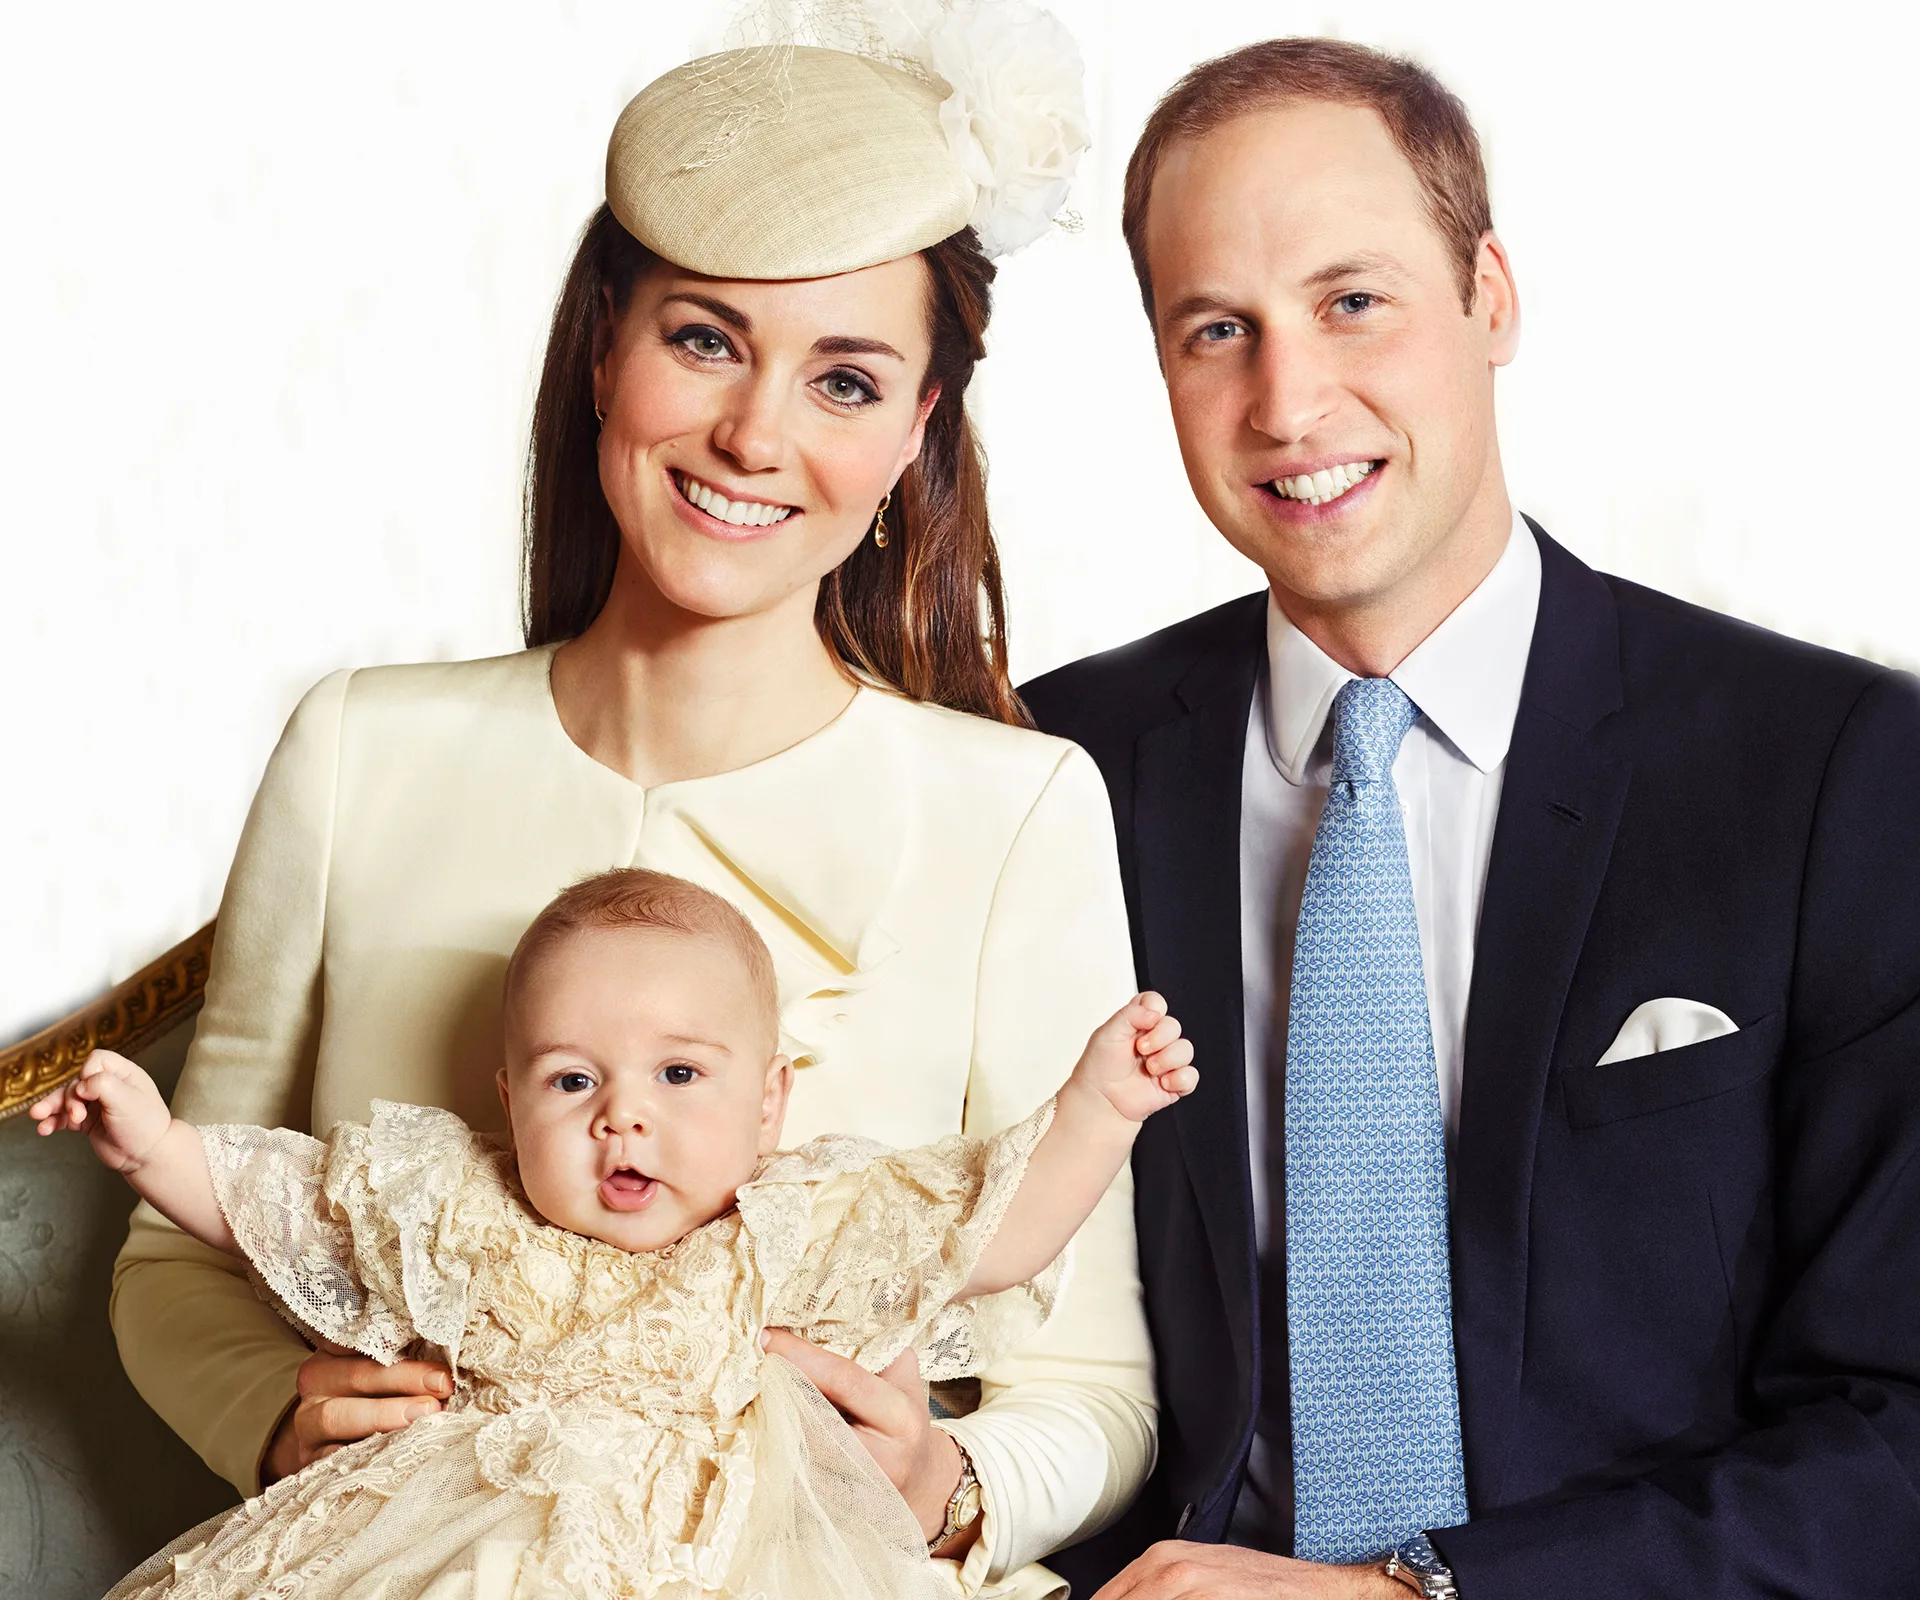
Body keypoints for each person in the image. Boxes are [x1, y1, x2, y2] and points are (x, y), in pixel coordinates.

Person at [110, 15, 1154, 1598]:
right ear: (606, 342)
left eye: (847, 381)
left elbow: (1096, 1390)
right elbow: (184, 1241)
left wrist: (950, 1484)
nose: (755, 437)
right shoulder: (355, 752)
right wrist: (272, 1415)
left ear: (917, 433)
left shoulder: (1018, 810)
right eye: (704, 340)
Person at [1024, 35, 1920, 1600]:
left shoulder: (1837, 769)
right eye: (1214, 329)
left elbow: (1902, 1432)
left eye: (1351, 300)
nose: (1288, 400)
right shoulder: (1054, 766)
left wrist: (1419, 1597)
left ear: (1490, 297)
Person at [43, 869, 1197, 1599]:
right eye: (572, 1078)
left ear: (769, 1105)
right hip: (480, 1531)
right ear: (508, 1098)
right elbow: (270, 1198)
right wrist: (152, 1143)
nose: (622, 1115)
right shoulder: (458, 1208)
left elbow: (996, 1234)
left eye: (680, 1072)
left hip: (743, 1555)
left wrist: (1094, 1110)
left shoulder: (796, 1222)